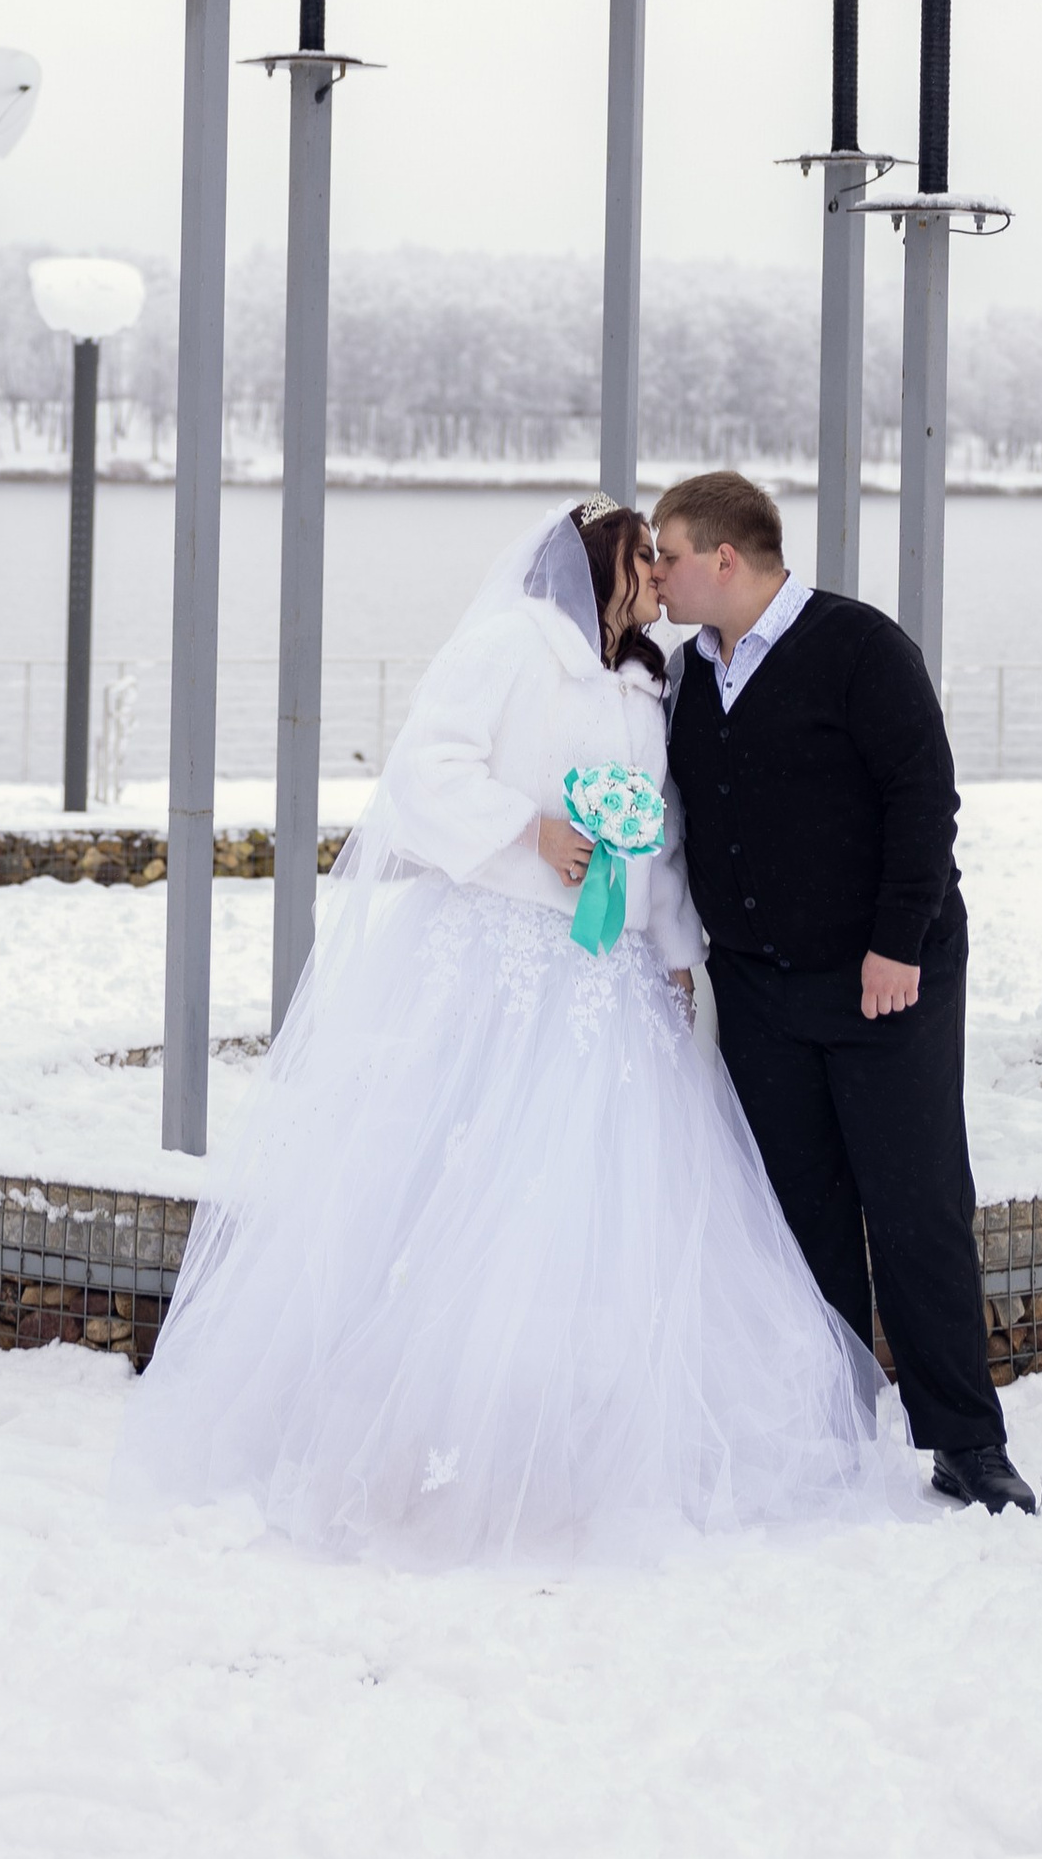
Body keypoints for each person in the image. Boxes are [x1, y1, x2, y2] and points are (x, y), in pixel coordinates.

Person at [113, 496, 914, 1563]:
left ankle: (587, 1441)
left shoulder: (649, 681)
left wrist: (673, 948)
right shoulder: (510, 647)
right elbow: (425, 772)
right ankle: (431, 1436)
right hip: (495, 959)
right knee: (467, 1190)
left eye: (668, 563)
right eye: (646, 561)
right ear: (598, 567)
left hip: (604, 975)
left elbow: (659, 832)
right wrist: (528, 831)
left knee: (602, 1202)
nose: (662, 583)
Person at [652, 469, 1039, 1518]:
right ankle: (825, 1424)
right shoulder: (685, 672)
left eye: (666, 552)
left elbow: (924, 800)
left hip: (886, 979)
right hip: (762, 992)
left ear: (723, 557)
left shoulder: (862, 648)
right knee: (801, 1214)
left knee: (915, 1209)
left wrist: (895, 943)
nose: (656, 573)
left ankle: (966, 1442)